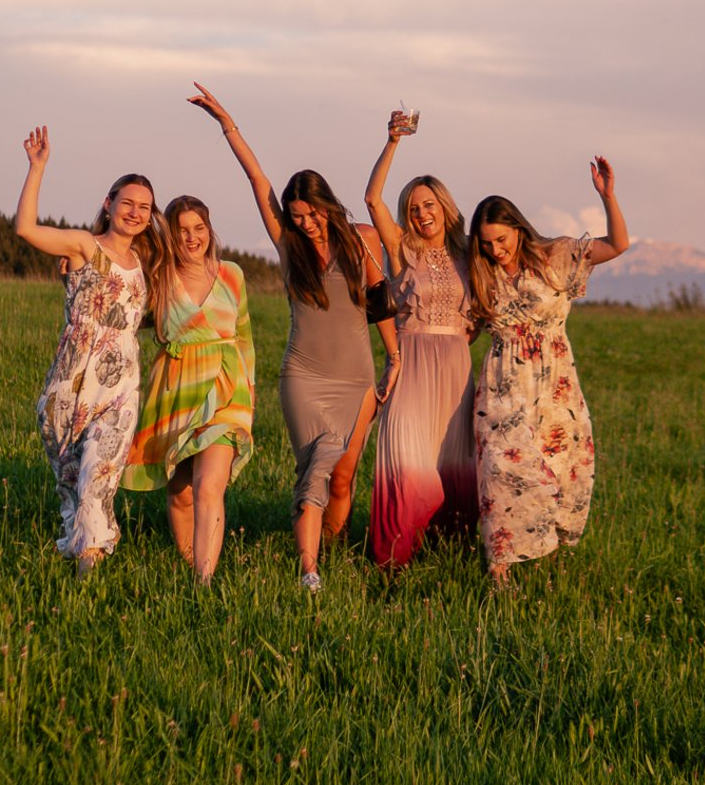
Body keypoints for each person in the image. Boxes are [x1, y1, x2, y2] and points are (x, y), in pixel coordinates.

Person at [189, 83, 400, 592]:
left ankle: (328, 550)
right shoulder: (288, 244)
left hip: (356, 378)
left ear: (327, 204)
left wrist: (394, 359)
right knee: (315, 472)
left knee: (345, 478)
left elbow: (379, 306)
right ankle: (309, 569)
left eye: (311, 213)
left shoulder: (363, 242)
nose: (305, 224)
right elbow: (258, 180)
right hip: (303, 376)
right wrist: (226, 123)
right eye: (297, 215)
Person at [467, 157, 629, 587]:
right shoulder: (481, 275)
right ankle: (498, 565)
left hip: (555, 382)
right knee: (501, 469)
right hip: (502, 384)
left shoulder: (555, 255)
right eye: (486, 244)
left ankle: (542, 553)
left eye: (500, 240)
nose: (495, 250)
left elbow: (617, 245)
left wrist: (607, 196)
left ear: (518, 228)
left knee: (556, 463)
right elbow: (462, 331)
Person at [13, 126, 166, 577]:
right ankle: (79, 557)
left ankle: (87, 572)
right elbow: (24, 229)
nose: (136, 213)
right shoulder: (83, 247)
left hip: (120, 390)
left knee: (97, 480)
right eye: (128, 203)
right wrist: (37, 168)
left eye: (145, 207)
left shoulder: (146, 265)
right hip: (69, 387)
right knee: (70, 486)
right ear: (109, 204)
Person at [362, 109, 478, 567]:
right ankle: (393, 558)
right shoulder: (402, 249)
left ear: (445, 207)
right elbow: (372, 199)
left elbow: (486, 306)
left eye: (428, 205)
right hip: (411, 361)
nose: (422, 213)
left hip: (454, 367)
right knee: (406, 454)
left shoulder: (469, 252)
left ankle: (452, 553)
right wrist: (392, 142)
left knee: (453, 458)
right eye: (413, 208)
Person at [122, 195, 256, 584]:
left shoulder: (232, 274)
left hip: (227, 389)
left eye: (199, 229)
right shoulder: (158, 277)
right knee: (180, 493)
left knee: (209, 484)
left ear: (209, 230)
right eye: (183, 230)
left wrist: (250, 391)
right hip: (175, 390)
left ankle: (204, 580)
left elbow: (244, 337)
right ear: (171, 235)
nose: (192, 237)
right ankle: (188, 563)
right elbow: (123, 308)